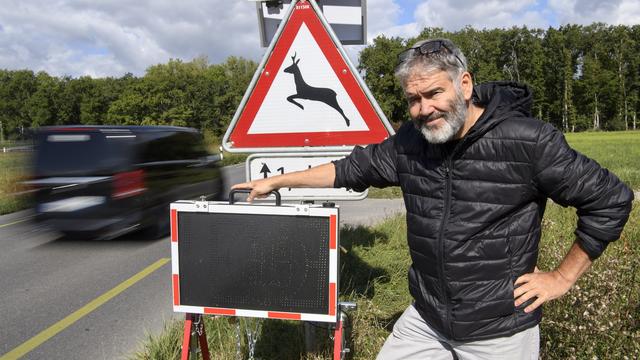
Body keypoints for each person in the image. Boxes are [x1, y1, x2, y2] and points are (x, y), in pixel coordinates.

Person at [232, 38, 634, 359]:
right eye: (413, 98)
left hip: (498, 330)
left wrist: (562, 277)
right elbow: (352, 168)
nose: (424, 109)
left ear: (464, 84)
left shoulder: (527, 141)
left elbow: (611, 200)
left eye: (433, 93)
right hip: (427, 316)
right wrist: (279, 181)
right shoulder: (412, 140)